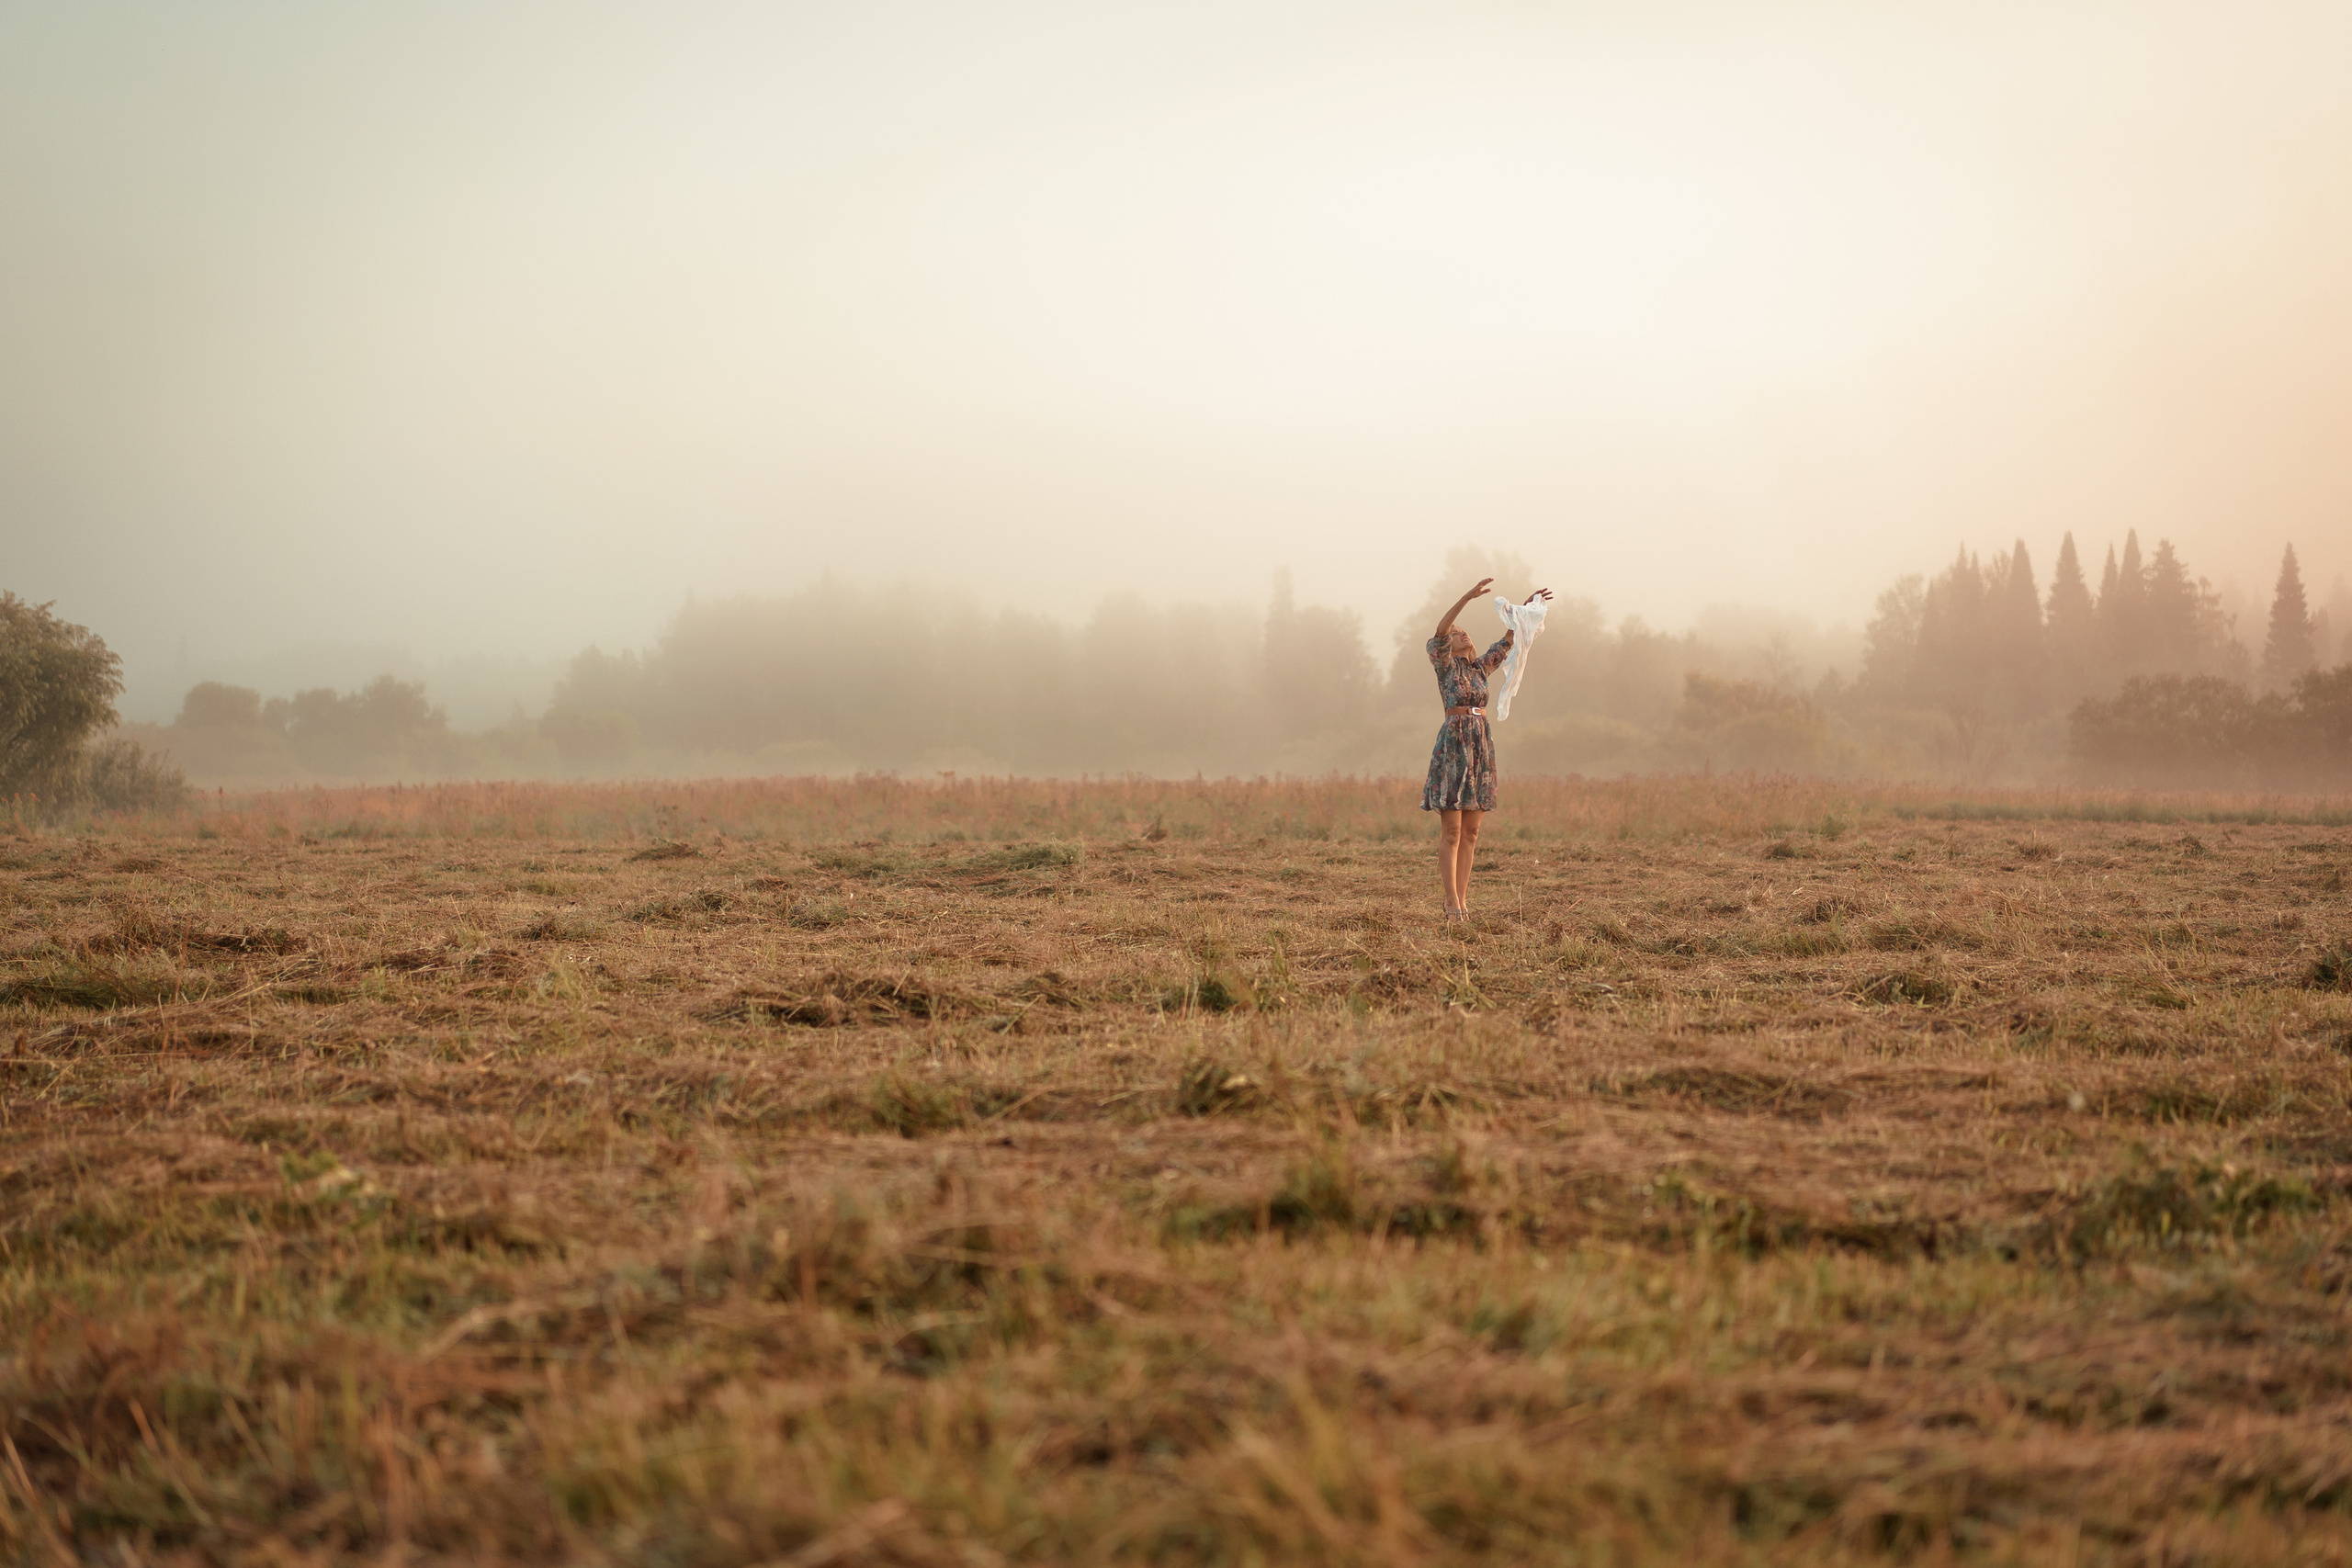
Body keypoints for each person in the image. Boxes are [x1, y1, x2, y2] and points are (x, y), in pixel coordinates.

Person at [1423, 577, 1554, 918]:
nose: (1460, 634)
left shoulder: (1481, 668)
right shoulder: (1444, 667)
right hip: (1453, 746)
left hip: (1480, 745)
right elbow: (1439, 631)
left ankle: (1463, 901)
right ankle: (1450, 903)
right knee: (1451, 831)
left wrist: (1525, 609)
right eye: (1455, 634)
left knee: (1472, 832)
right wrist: (1465, 597)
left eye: (1463, 632)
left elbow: (1511, 638)